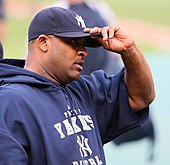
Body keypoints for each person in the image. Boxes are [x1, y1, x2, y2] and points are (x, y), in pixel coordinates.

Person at [0, 7, 155, 164]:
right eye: (74, 42)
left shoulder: (84, 90)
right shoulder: (11, 102)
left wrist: (129, 50)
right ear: (43, 43)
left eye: (83, 44)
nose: (83, 52)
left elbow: (140, 97)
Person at [52, 0, 122, 75]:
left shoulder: (99, 7)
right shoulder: (56, 10)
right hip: (77, 70)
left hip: (105, 66)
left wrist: (115, 57)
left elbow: (112, 31)